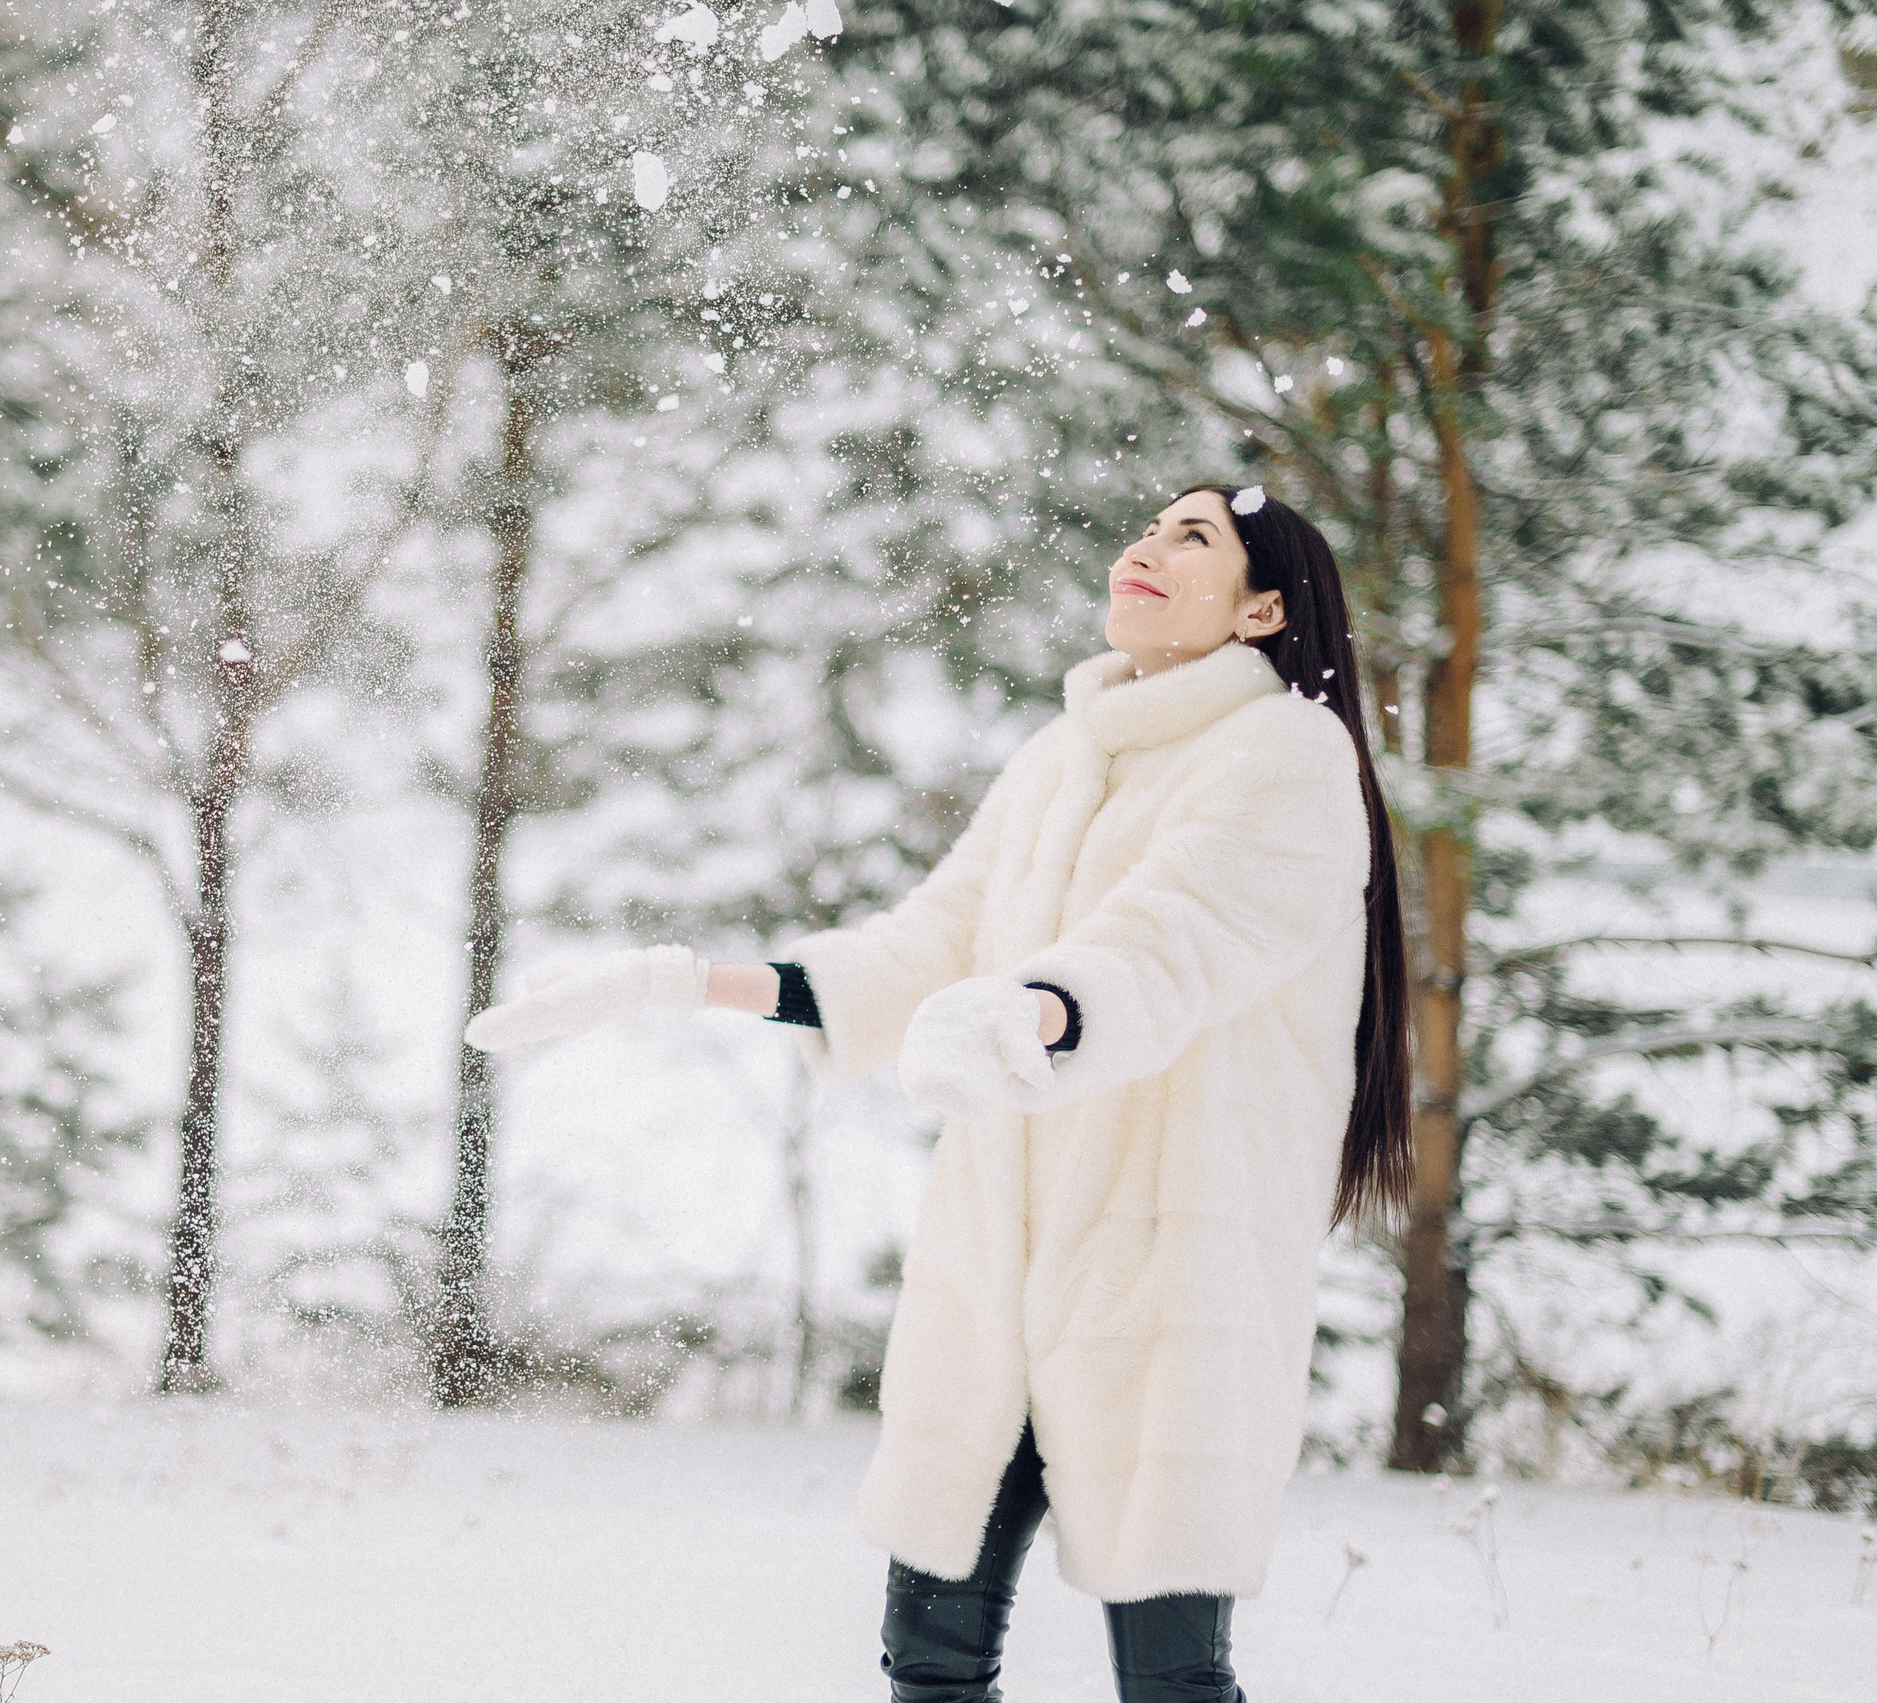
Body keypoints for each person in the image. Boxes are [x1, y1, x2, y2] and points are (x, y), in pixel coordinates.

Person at [465, 483, 1414, 1703]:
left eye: (1196, 538)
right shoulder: (1060, 758)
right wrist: (695, 981)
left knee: (1173, 1678)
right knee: (930, 1660)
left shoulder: (1286, 755)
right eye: (1147, 525)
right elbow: (929, 945)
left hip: (1168, 1275)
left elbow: (1169, 945)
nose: (1146, 546)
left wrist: (1032, 1008)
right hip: (996, 1270)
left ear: (1261, 608)